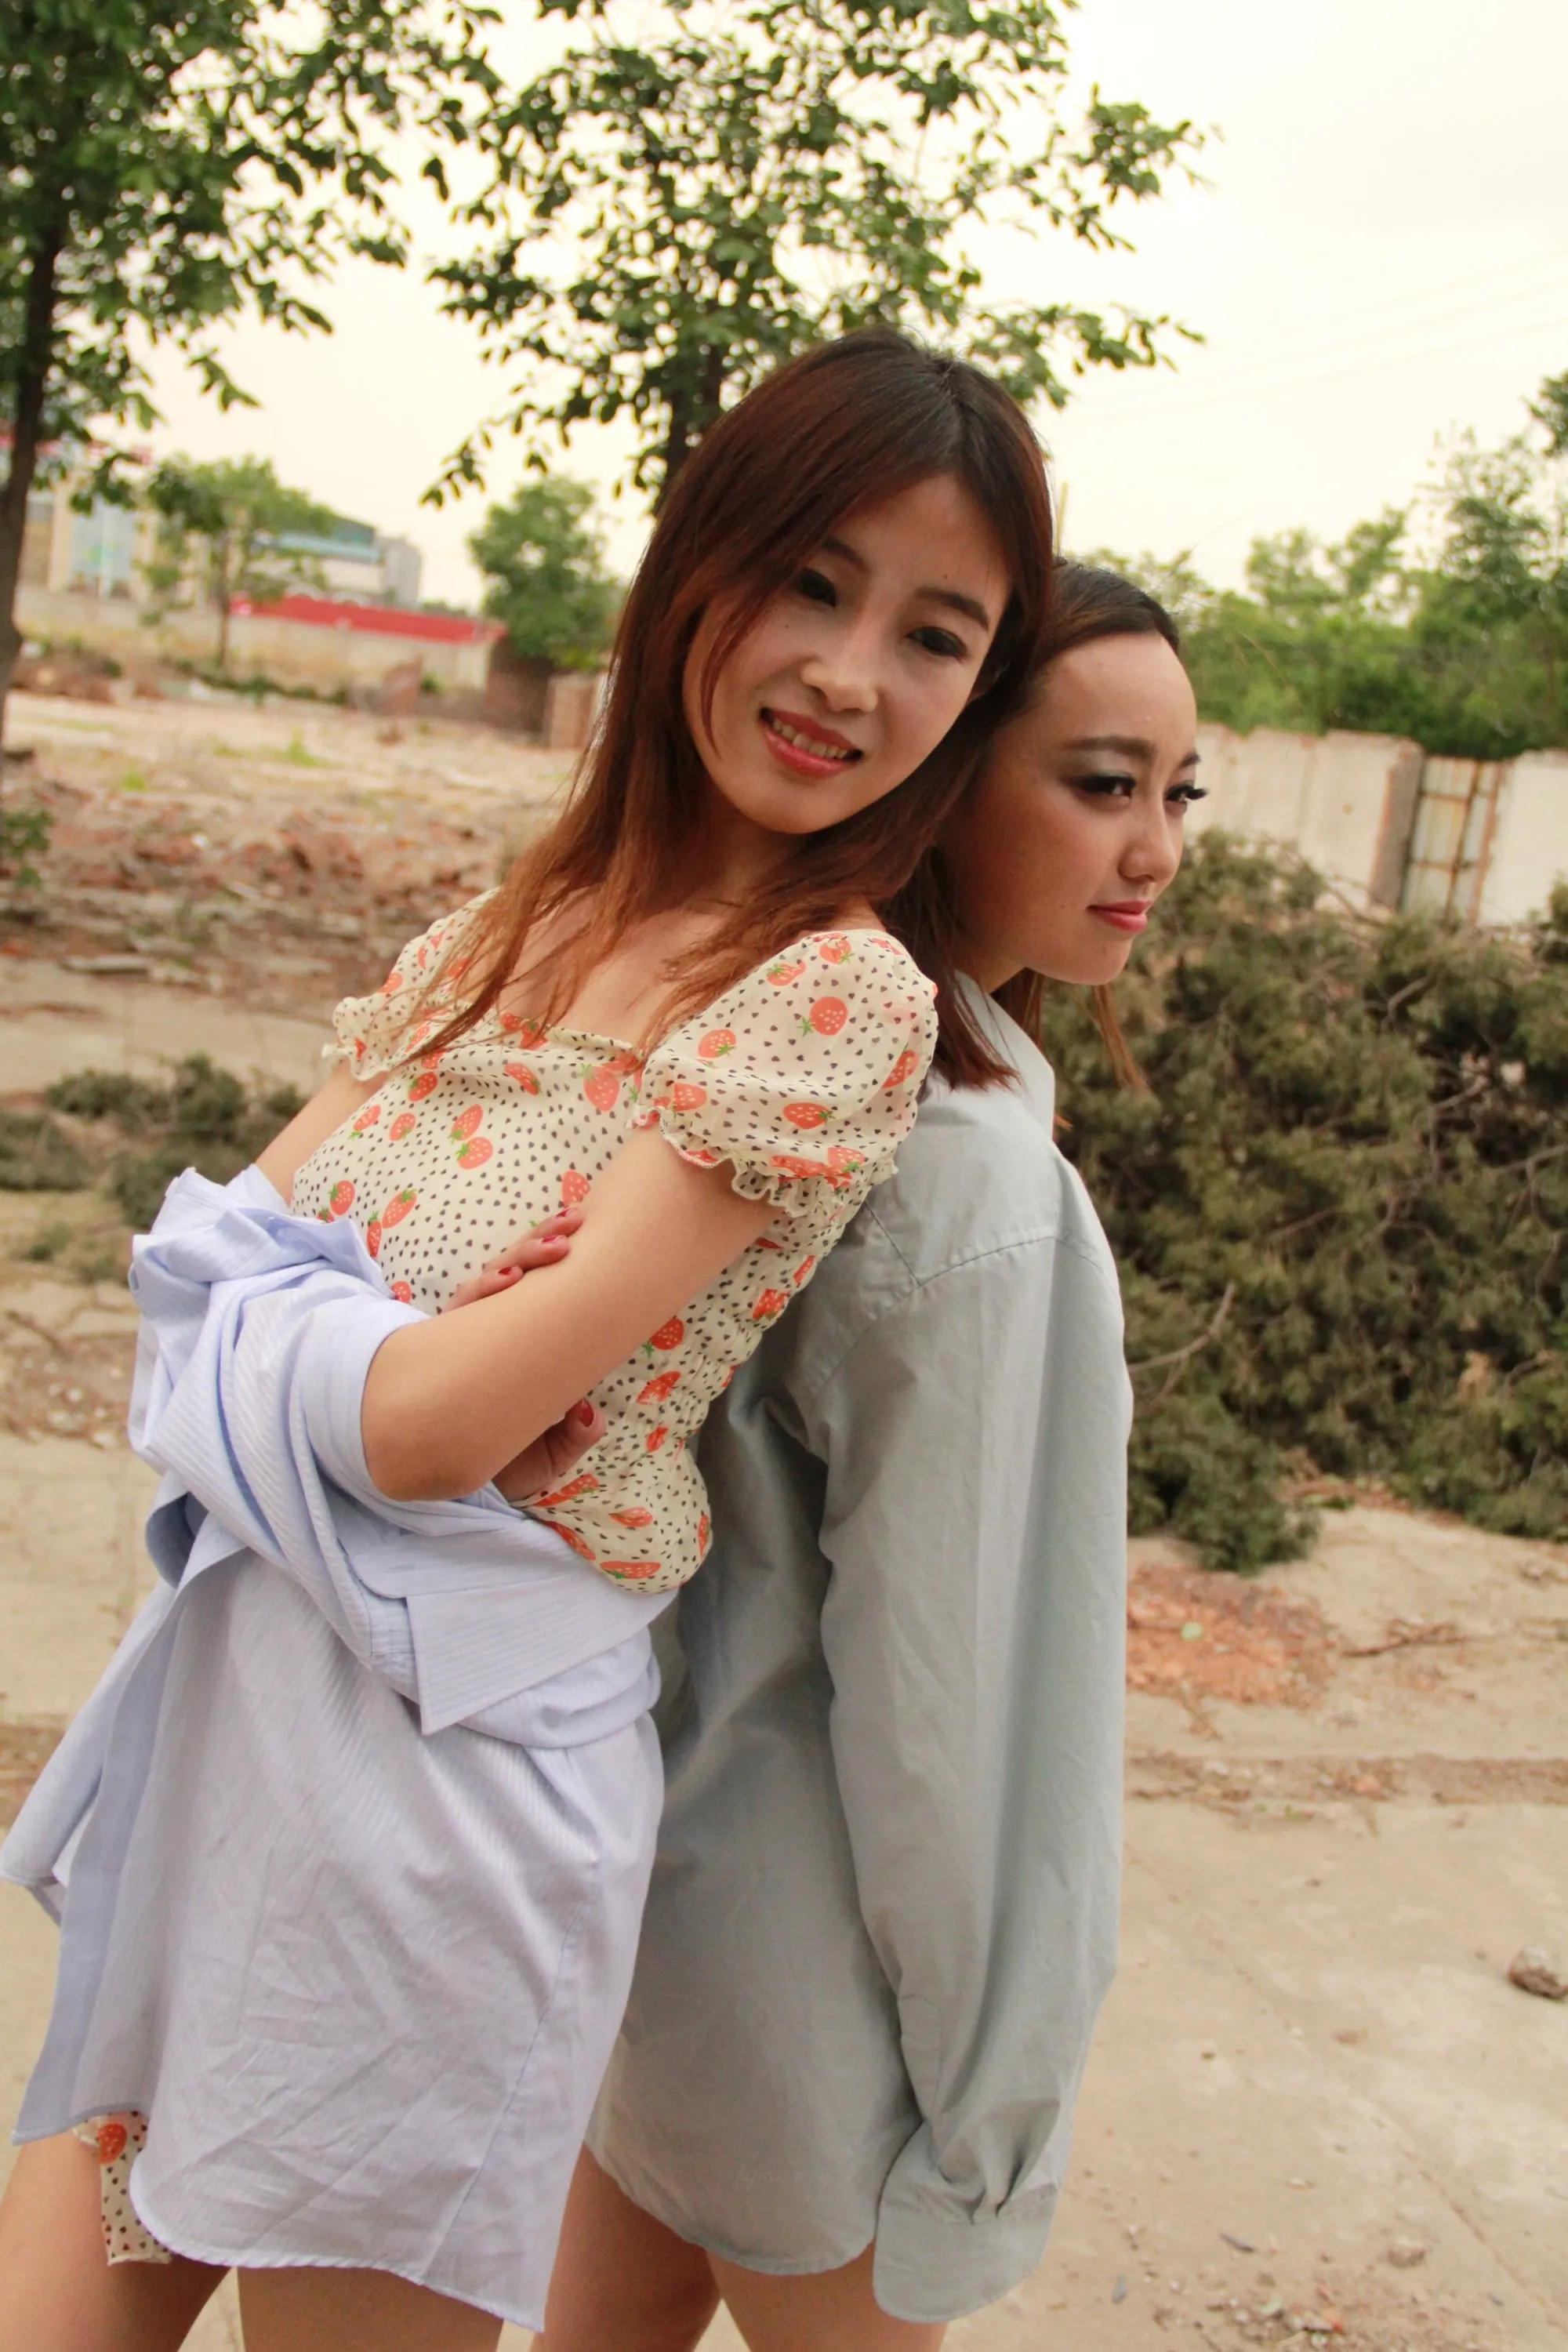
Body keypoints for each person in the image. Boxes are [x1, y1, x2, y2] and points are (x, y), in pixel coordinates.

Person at [0, 333, 1055, 2352]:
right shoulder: (508, 928)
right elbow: (184, 1302)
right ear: (696, 567)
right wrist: (355, 1359)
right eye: (813, 582)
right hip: (228, 1721)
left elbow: (416, 1421)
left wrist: (312, 1342)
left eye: (935, 637)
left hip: (440, 1800)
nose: (850, 673)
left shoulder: (829, 1002)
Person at [536, 564, 1203, 2352]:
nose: (1153, 850)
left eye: (1178, 790)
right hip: (810, 2003)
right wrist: (990, 2110)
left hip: (635, 1899)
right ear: (945, 774)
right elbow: (963, 1716)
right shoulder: (972, 1180)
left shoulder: (746, 1049)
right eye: (1101, 783)